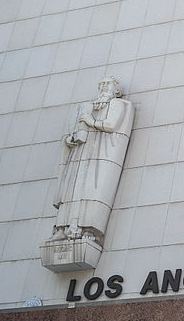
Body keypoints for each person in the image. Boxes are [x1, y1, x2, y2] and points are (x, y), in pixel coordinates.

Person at [52, 76, 134, 241]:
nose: (103, 86)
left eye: (107, 83)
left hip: (100, 155)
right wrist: (69, 140)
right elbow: (72, 131)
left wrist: (91, 121)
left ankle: (88, 228)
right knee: (72, 190)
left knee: (93, 190)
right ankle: (62, 227)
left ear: (116, 89)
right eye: (101, 84)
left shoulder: (118, 104)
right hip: (80, 154)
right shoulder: (87, 107)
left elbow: (112, 125)